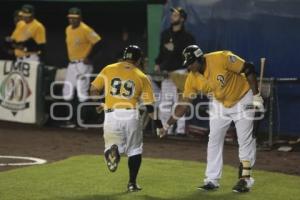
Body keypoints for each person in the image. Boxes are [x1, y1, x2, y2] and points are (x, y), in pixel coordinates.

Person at [160, 45, 264, 193]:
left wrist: (256, 95)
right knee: (214, 138)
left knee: (245, 140)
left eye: (191, 63)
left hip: (243, 98)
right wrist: (167, 125)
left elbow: (248, 68)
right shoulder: (192, 78)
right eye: (187, 63)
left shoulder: (221, 57)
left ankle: (245, 179)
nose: (189, 66)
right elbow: (183, 105)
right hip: (220, 103)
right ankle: (211, 180)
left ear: (199, 59)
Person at [90, 45, 164, 192]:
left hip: (111, 114)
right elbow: (149, 106)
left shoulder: (109, 68)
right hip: (130, 115)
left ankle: (112, 150)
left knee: (111, 144)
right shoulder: (142, 76)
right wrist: (159, 125)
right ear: (138, 60)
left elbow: (93, 89)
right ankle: (132, 183)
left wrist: (100, 102)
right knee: (135, 150)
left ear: (124, 56)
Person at [154, 7, 196, 136]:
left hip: (181, 73)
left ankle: (180, 131)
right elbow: (161, 52)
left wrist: (174, 49)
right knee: (165, 103)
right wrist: (157, 64)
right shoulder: (165, 34)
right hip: (167, 74)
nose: (173, 16)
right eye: (172, 14)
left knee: (180, 103)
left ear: (182, 19)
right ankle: (164, 130)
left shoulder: (188, 37)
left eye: (176, 15)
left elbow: (190, 56)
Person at [62, 7, 102, 128]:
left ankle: (81, 121)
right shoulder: (68, 29)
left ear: (80, 18)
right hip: (72, 64)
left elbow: (99, 43)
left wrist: (90, 57)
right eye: (71, 18)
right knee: (67, 91)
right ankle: (69, 120)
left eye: (75, 18)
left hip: (82, 65)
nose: (72, 20)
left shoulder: (85, 29)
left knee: (81, 92)